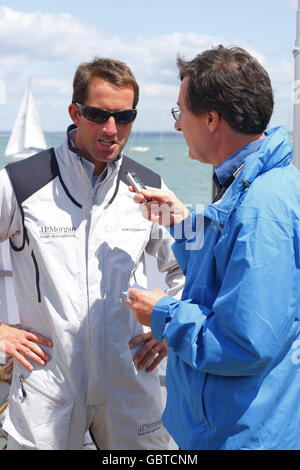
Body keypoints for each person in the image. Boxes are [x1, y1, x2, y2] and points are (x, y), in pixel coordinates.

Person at [0, 57, 185, 450]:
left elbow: (188, 267)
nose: (111, 129)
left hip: (130, 382)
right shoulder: (19, 183)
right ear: (75, 112)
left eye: (125, 116)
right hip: (47, 387)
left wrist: (170, 328)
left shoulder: (150, 186)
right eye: (98, 114)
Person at [126, 45, 300, 450]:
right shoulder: (261, 182)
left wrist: (161, 313)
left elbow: (243, 343)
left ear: (210, 119)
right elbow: (226, 270)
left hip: (242, 434)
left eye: (179, 112)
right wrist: (182, 224)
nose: (176, 126)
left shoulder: (262, 207)